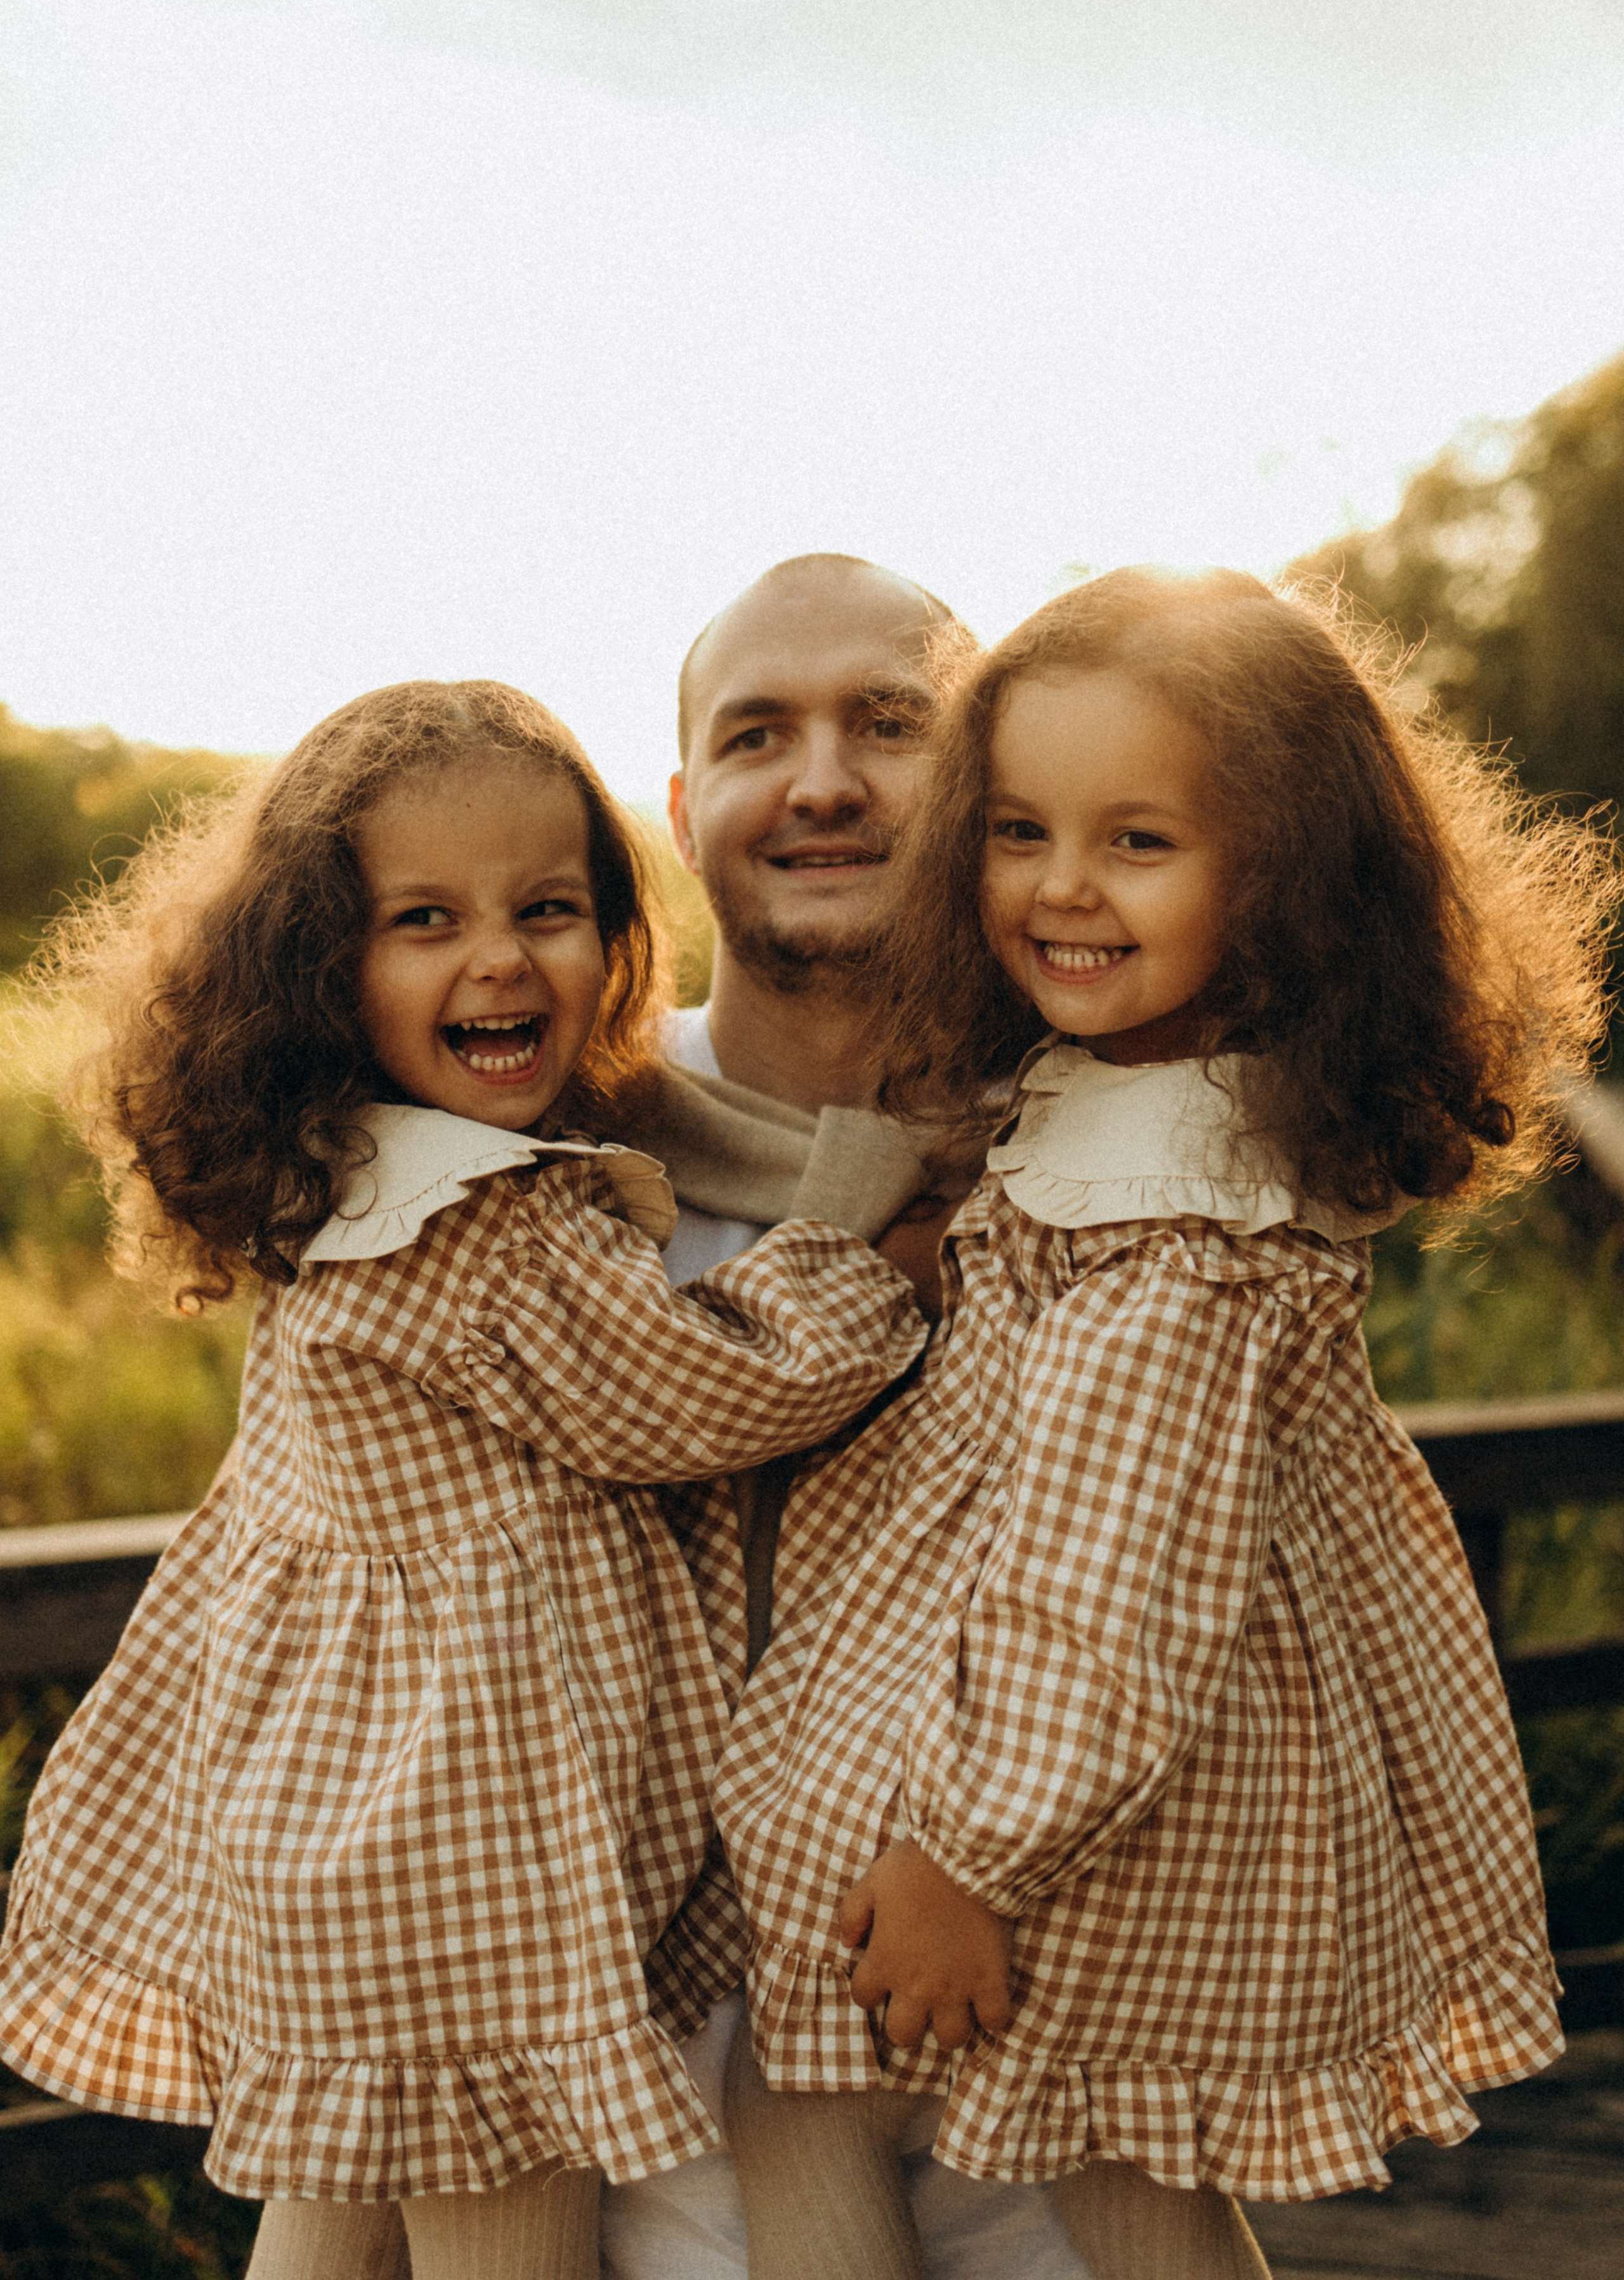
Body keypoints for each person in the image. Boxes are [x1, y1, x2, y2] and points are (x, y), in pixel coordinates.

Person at [709, 570, 1610, 2280]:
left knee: (803, 2093)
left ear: (1281, 888)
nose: (1059, 889)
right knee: (1136, 2173)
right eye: (1021, 830)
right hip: (1105, 1785)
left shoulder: (1178, 1248)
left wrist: (965, 1855)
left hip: (1075, 1801)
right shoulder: (1139, 1120)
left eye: (1138, 843)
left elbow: (1108, 1611)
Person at [0, 681, 928, 2280]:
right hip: (455, 1869)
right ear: (318, 971)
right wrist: (851, 1226)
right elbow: (711, 1391)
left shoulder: (348, 1174)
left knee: (338, 2218)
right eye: (420, 918)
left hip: (348, 1845)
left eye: (546, 908)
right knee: (514, 2234)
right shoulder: (461, 1221)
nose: (497, 957)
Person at [599, 556, 1090, 2280]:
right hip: (630, 2156)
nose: (820, 780)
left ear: (981, 788)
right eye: (757, 734)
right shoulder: (544, 1162)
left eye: (890, 724)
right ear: (683, 807)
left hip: (1050, 2125)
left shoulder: (1108, 1155)